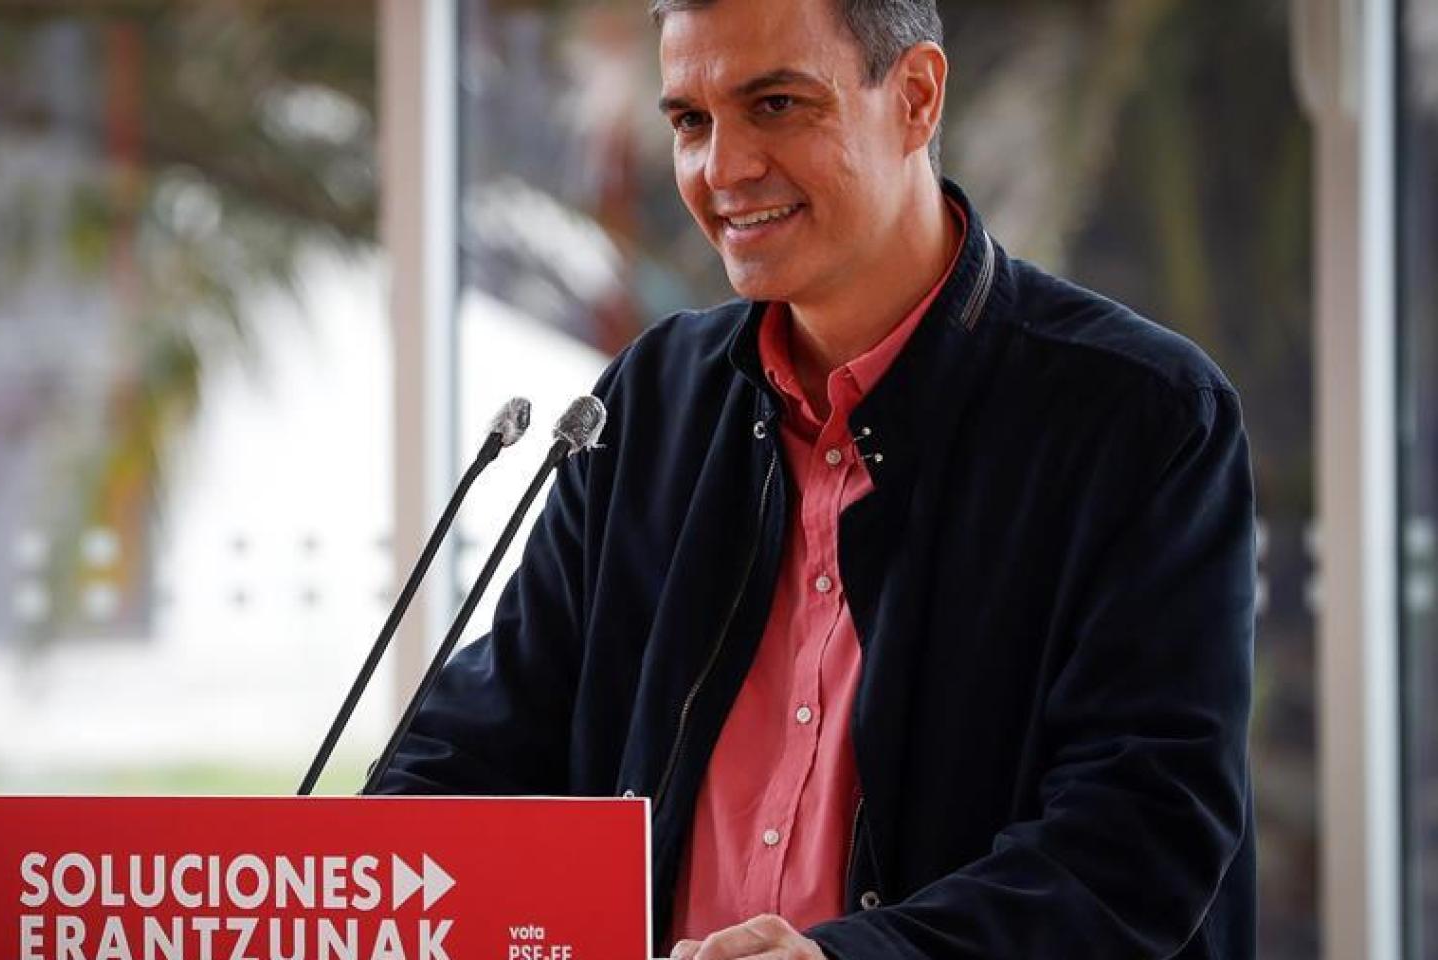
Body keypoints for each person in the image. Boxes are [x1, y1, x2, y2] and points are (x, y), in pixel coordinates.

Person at [375, 0, 1256, 957]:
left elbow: (1139, 835)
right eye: (690, 121)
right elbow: (478, 745)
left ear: (915, 98)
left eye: (779, 105)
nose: (723, 169)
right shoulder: (655, 399)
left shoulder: (1142, 414)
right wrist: (329, 875)